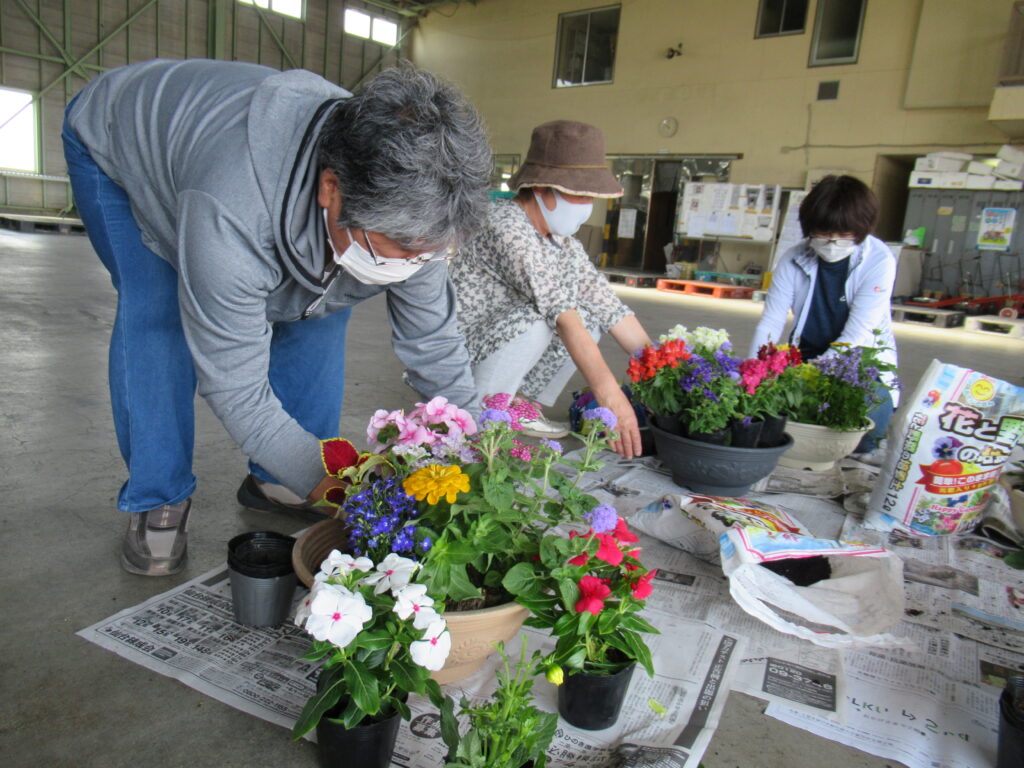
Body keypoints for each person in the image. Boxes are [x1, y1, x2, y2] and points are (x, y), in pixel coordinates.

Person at [62, 59, 491, 576]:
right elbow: (236, 387)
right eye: (397, 249)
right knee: (159, 313)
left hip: (248, 173)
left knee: (323, 307)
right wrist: (354, 490)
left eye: (423, 254)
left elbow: (436, 347)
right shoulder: (231, 207)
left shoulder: (417, 214)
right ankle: (160, 496)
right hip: (122, 146)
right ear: (331, 190)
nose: (411, 265)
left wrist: (482, 448)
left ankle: (278, 478)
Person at [449, 120, 653, 459]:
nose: (586, 204)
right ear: (541, 188)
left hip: (502, 337)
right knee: (547, 318)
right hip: (464, 348)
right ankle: (479, 418)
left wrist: (663, 367)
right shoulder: (506, 227)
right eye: (578, 193)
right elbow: (560, 314)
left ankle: (519, 406)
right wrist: (610, 395)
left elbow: (604, 302)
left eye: (590, 196)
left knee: (588, 316)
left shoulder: (560, 240)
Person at [749, 174, 897, 454]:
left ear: (863, 229)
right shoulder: (793, 258)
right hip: (802, 356)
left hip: (857, 367)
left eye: (844, 235)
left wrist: (810, 379)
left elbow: (857, 335)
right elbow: (772, 320)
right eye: (823, 233)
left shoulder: (879, 260)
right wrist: (754, 372)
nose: (832, 243)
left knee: (867, 431)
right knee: (764, 421)